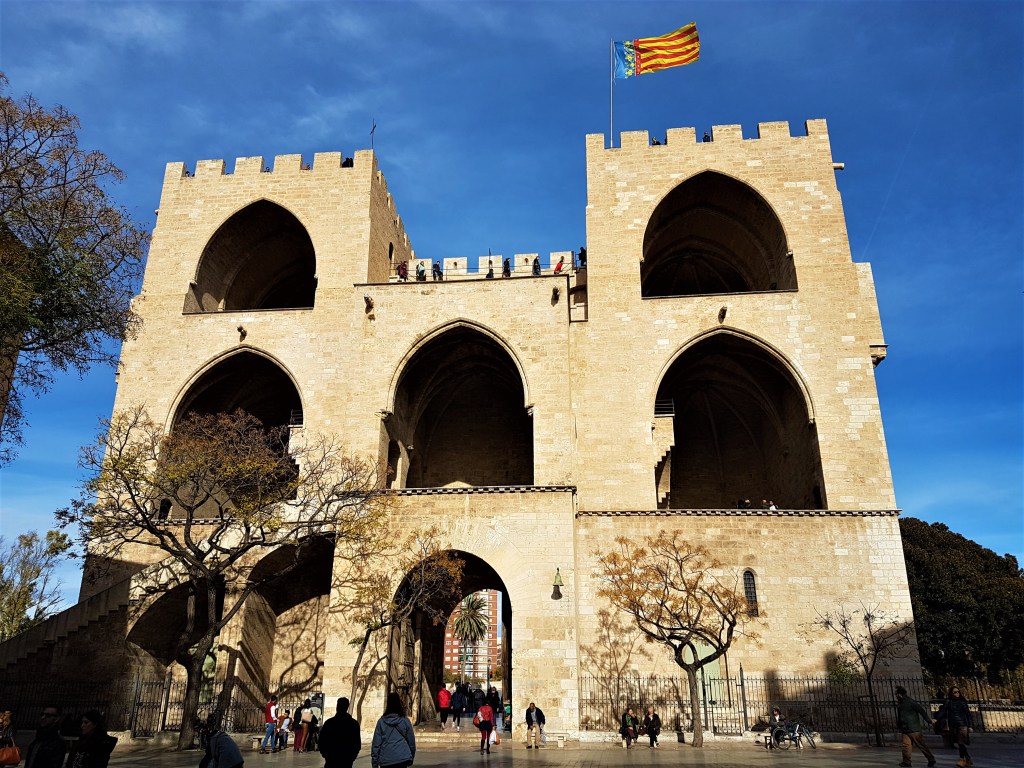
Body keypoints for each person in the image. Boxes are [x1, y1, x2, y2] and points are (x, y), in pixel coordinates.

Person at [895, 686, 936, 768]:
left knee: (921, 745)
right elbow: (900, 717)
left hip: (914, 728)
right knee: (906, 746)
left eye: (896, 694)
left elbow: (921, 711)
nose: (896, 696)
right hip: (905, 729)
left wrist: (929, 721)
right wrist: (899, 726)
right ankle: (906, 762)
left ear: (900, 694)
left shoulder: (911, 702)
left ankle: (931, 759)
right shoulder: (901, 704)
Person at [371, 693, 415, 768]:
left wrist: (374, 763)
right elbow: (411, 742)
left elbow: (376, 744)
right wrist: (411, 757)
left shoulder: (381, 722)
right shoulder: (405, 720)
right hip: (402, 758)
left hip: (386, 760)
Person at [318, 697, 361, 768]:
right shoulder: (354, 724)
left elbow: (321, 741)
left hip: (332, 759)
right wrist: (351, 757)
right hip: (345, 760)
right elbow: (357, 744)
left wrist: (325, 754)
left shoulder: (329, 723)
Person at [944, 686, 974, 767]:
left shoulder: (962, 702)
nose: (957, 693)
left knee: (961, 742)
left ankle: (961, 759)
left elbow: (968, 714)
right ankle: (968, 758)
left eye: (958, 692)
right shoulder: (948, 702)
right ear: (951, 693)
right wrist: (936, 719)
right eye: (955, 692)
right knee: (959, 743)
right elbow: (943, 711)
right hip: (953, 724)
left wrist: (970, 726)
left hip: (962, 725)